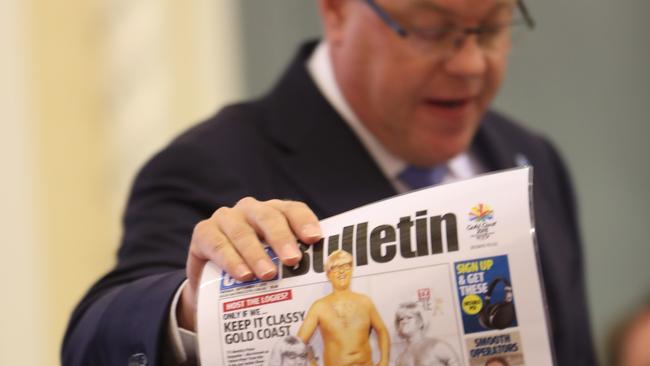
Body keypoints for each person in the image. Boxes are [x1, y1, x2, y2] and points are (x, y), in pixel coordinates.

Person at [62, 0, 596, 365]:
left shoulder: (533, 159)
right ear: (338, 10)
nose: (470, 64)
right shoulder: (212, 162)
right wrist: (192, 309)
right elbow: (93, 340)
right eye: (432, 28)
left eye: (493, 26)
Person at [297, 250, 390, 366]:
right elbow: (298, 344)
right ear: (328, 275)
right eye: (335, 268)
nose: (341, 271)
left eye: (345, 266)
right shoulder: (319, 307)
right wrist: (312, 362)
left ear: (351, 269)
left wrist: (384, 360)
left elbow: (382, 330)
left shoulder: (365, 302)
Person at [394, 301, 459, 366]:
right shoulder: (400, 360)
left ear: (420, 322)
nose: (404, 321)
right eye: (401, 319)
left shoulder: (437, 346)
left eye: (409, 317)